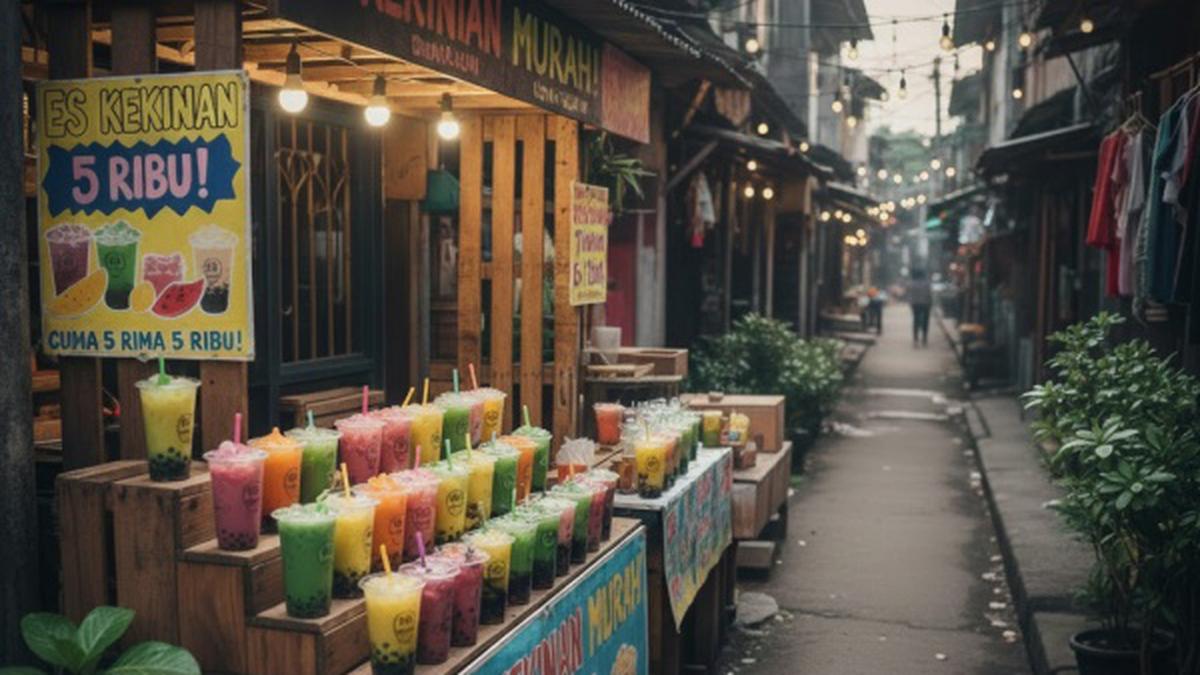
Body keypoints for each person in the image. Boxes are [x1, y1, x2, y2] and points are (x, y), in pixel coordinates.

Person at [907, 269, 933, 346]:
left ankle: (916, 339)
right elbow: (929, 294)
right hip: (926, 304)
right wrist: (930, 303)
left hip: (915, 304)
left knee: (916, 320)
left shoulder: (911, 283)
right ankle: (924, 338)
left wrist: (911, 303)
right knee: (925, 321)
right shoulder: (927, 283)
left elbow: (910, 295)